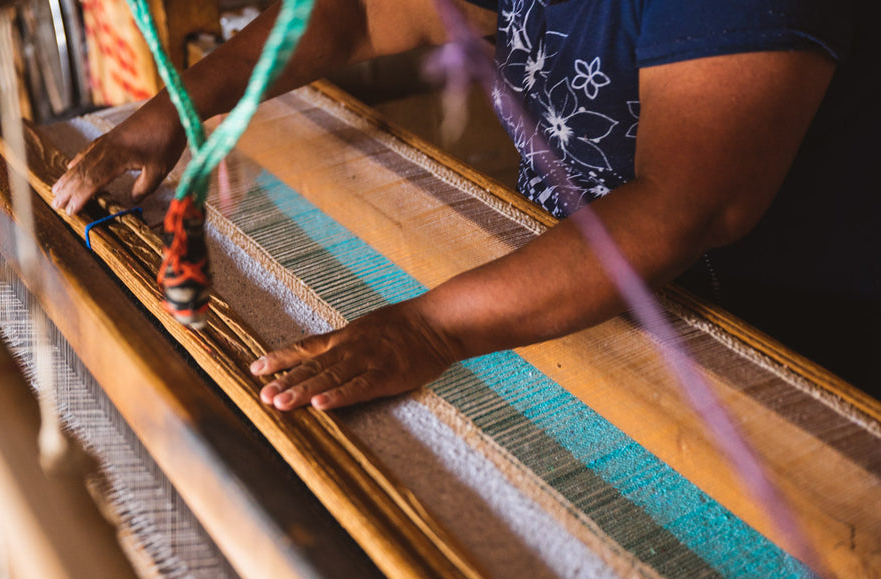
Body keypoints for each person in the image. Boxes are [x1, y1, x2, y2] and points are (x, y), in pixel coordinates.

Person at [51, 0, 880, 409]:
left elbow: (685, 205)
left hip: (794, 357)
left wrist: (431, 327)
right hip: (608, 310)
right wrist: (174, 113)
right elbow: (358, 20)